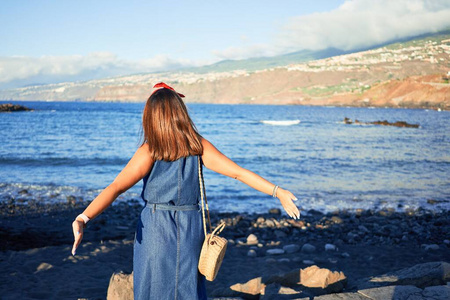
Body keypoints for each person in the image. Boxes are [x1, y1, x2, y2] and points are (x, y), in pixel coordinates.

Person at [71, 82, 300, 300]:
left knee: (153, 288)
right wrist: (276, 191)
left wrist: (84, 217)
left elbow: (116, 187)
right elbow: (238, 173)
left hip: (156, 227)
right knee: (187, 287)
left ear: (152, 118)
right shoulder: (197, 146)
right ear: (179, 113)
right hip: (190, 228)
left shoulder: (149, 150)